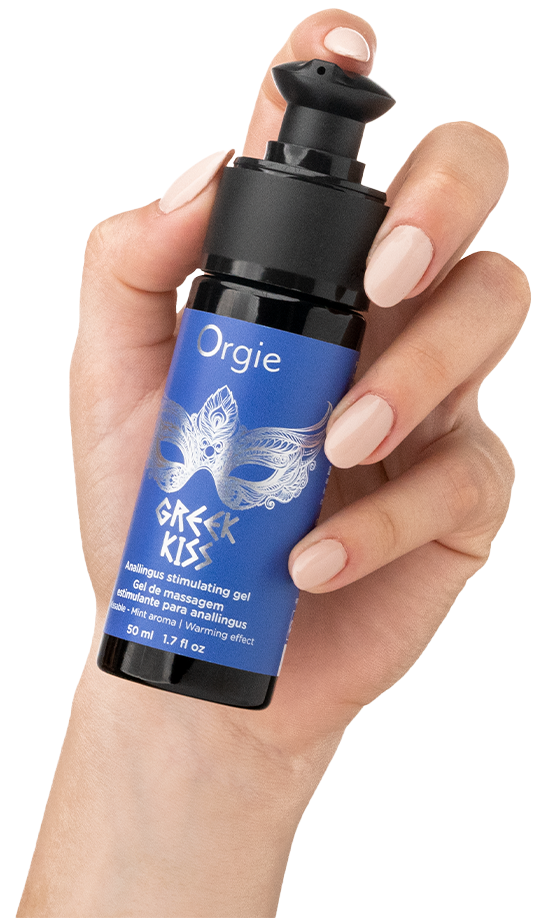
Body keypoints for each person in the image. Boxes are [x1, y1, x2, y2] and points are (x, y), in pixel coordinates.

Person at [17, 9, 530, 917]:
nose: (205, 482)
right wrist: (161, 737)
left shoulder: (328, 328)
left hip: (256, 646)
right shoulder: (218, 300)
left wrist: (223, 766)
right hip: (156, 620)